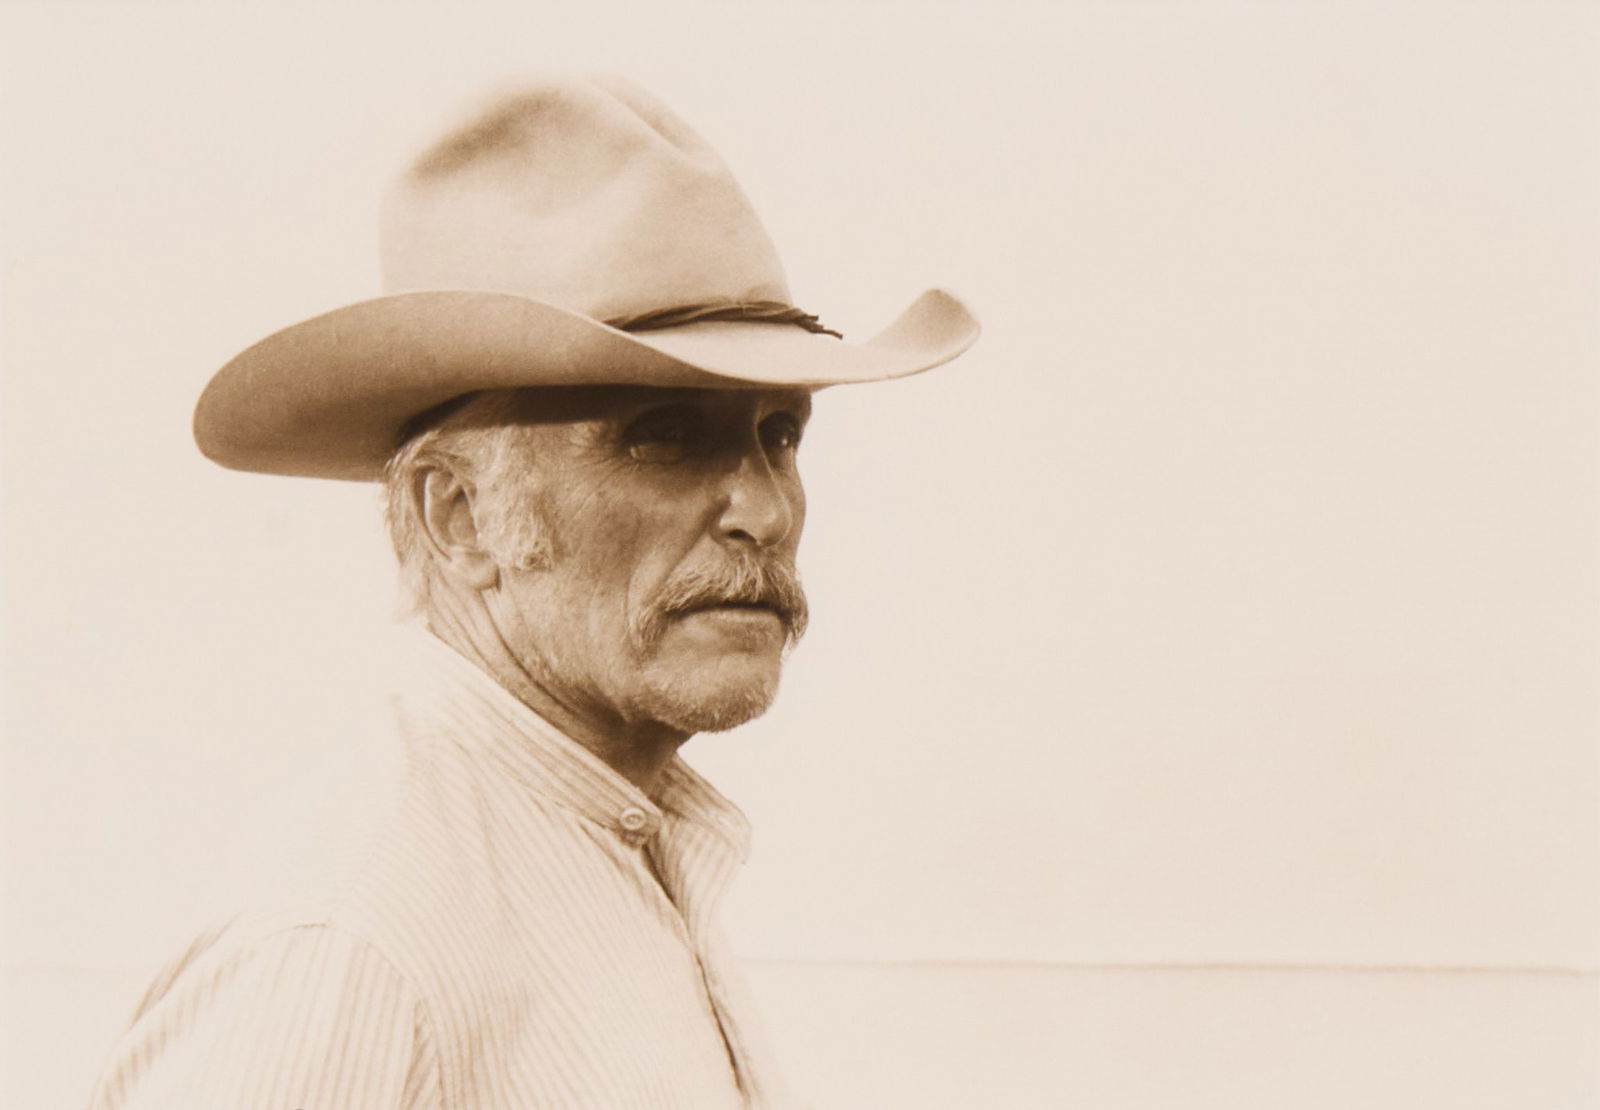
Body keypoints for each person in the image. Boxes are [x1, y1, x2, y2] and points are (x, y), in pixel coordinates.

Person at [87, 75, 978, 1109]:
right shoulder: (354, 937)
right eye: (664, 438)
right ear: (457, 519)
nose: (764, 511)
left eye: (777, 435)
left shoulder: (611, 842)